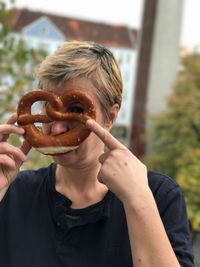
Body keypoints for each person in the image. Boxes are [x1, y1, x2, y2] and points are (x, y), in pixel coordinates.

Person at [0, 41, 194, 267]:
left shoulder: (159, 196)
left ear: (111, 116)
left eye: (76, 109)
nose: (57, 128)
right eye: (48, 108)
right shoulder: (12, 193)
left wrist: (138, 200)